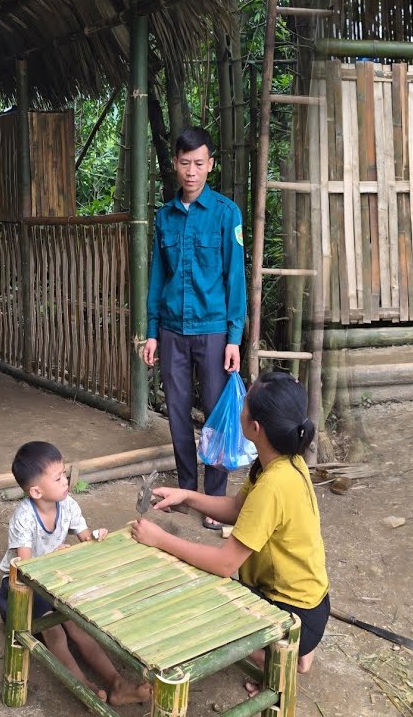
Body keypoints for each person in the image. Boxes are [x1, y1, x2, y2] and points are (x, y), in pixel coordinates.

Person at [131, 372, 330, 693]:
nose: (240, 408)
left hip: (293, 613)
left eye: (244, 404)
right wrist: (188, 496)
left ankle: (286, 656)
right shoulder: (284, 462)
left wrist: (161, 540)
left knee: (198, 600)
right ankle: (297, 654)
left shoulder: (274, 485)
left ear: (256, 428)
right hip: (313, 604)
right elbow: (239, 509)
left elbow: (225, 564)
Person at [143, 126, 247, 531]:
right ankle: (185, 490)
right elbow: (156, 279)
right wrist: (152, 331)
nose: (191, 171)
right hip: (171, 331)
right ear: (174, 165)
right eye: (184, 163)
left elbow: (234, 279)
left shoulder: (226, 214)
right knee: (177, 414)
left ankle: (214, 501)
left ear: (211, 165)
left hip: (213, 331)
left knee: (218, 416)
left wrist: (234, 338)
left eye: (199, 163)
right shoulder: (164, 218)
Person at [0, 441, 151, 705]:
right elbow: (26, 566)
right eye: (58, 478)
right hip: (23, 587)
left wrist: (95, 536)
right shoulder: (23, 517)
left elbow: (83, 535)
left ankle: (118, 684)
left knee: (80, 628)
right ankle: (83, 686)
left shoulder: (68, 505)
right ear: (35, 491)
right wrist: (55, 558)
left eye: (64, 474)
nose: (66, 481)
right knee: (56, 633)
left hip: (56, 580)